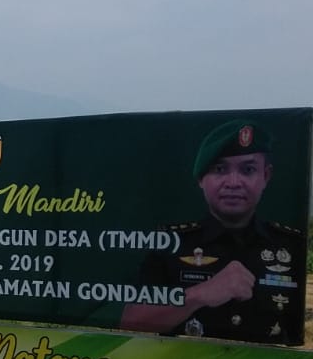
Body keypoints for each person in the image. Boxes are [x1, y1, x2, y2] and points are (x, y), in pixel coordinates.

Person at [120, 119, 305, 344]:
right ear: (201, 178)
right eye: (219, 169)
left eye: (248, 170)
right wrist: (198, 295)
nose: (233, 182)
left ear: (266, 176)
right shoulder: (170, 242)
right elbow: (132, 319)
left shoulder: (290, 245)